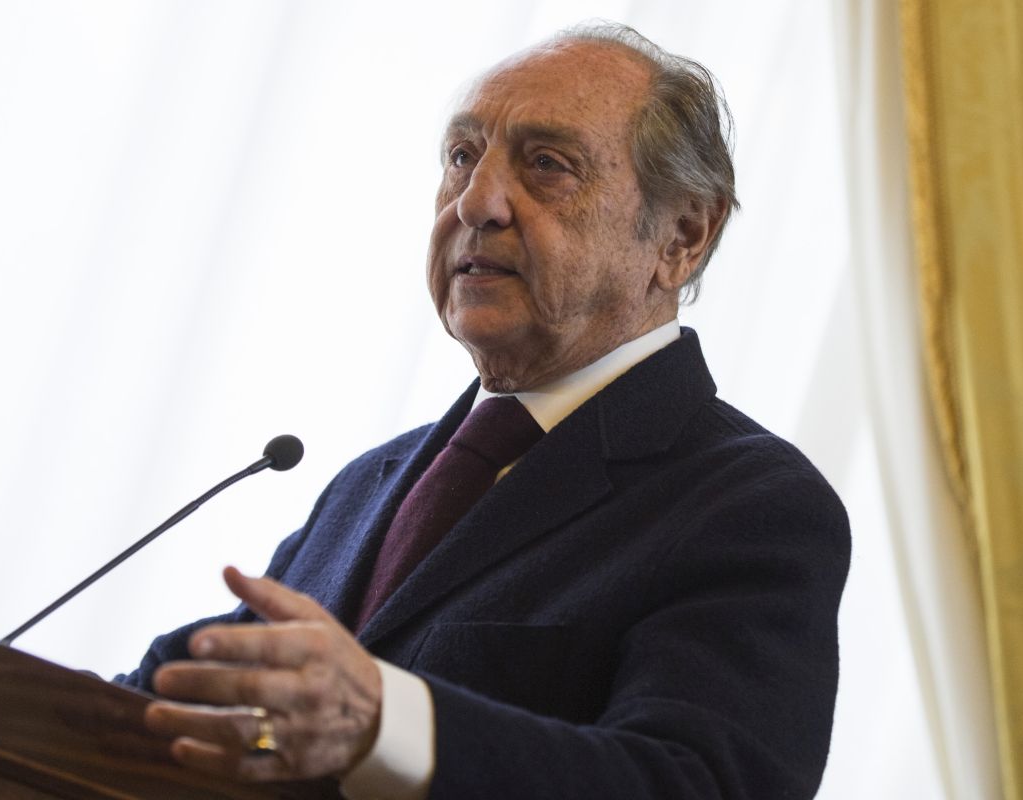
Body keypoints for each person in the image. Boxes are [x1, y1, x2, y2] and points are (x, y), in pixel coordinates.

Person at [119, 21, 850, 800]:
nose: (476, 203)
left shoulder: (752, 507)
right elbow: (197, 697)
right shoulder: (373, 479)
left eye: (547, 164)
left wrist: (386, 725)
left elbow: (697, 782)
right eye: (463, 157)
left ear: (683, 236)